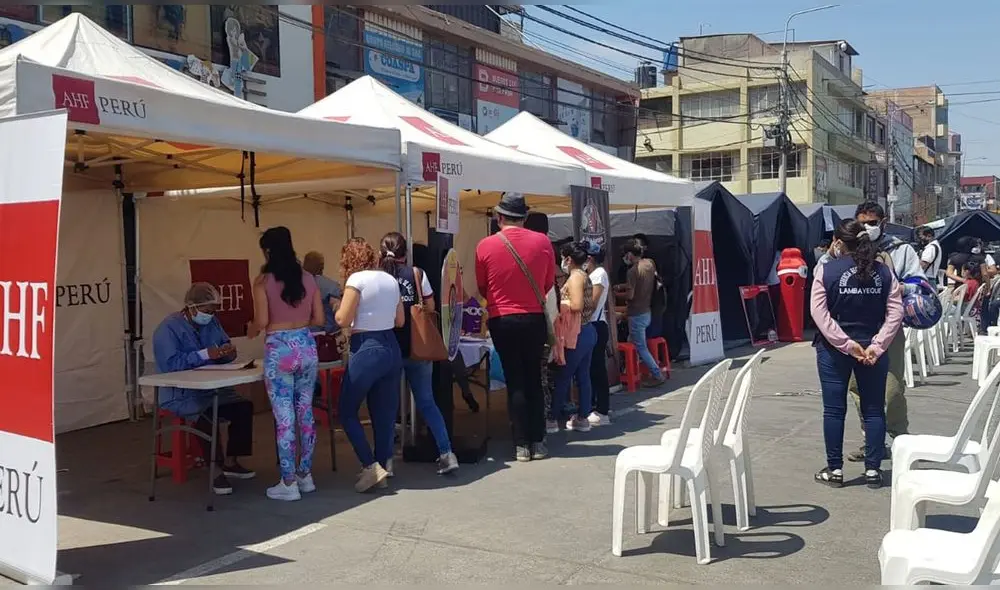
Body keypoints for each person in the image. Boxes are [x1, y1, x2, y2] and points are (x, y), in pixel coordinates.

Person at [817, 202, 921, 463]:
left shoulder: (899, 250)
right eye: (862, 222)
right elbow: (823, 284)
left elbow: (918, 283)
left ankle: (900, 440)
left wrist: (895, 288)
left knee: (893, 388)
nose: (868, 227)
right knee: (857, 390)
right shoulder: (837, 255)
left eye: (873, 222)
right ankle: (872, 444)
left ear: (883, 223)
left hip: (886, 331)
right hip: (850, 334)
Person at [811, 219, 902, 489]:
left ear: (838, 243)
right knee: (874, 409)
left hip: (833, 350)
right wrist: (876, 345)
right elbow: (895, 312)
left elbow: (819, 314)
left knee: (834, 410)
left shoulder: (826, 272)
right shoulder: (884, 273)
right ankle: (873, 470)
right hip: (873, 349)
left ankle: (835, 470)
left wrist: (846, 344)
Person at [152, 282, 256, 496]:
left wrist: (228, 352)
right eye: (207, 311)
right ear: (192, 308)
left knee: (243, 407)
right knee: (208, 414)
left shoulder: (213, 323)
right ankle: (215, 470)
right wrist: (205, 355)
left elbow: (224, 345)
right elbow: (170, 364)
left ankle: (230, 460)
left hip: (212, 388)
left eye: (214, 311)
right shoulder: (168, 328)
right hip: (181, 394)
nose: (210, 315)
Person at [475, 194, 556, 462]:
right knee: (534, 377)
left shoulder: (485, 246)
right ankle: (539, 441)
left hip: (502, 318)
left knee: (515, 379)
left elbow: (483, 286)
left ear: (499, 218)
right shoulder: (543, 242)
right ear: (525, 217)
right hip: (533, 317)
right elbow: (547, 283)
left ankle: (521, 444)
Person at [247, 226, 324, 501]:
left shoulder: (262, 281)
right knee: (305, 413)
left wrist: (251, 328)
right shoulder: (308, 279)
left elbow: (263, 321)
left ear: (267, 251)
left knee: (284, 418)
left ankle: (288, 480)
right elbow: (319, 319)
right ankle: (306, 475)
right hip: (305, 346)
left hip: (279, 350)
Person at [379, 231, 459, 475]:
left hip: (390, 345)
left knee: (387, 404)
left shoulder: (379, 278)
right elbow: (431, 306)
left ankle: (386, 462)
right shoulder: (417, 273)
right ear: (406, 252)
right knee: (427, 401)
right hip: (418, 345)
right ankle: (446, 453)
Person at [335, 237, 406, 492]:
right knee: (384, 414)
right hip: (391, 346)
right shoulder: (390, 280)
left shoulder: (356, 280)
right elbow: (400, 321)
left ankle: (370, 466)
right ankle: (383, 466)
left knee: (346, 410)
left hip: (365, 345)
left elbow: (343, 319)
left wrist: (337, 307)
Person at [549, 242, 598, 434]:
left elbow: (576, 305)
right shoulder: (584, 276)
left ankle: (552, 418)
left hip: (576, 333)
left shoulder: (576, 277)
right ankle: (582, 417)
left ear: (568, 259)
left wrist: (559, 305)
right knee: (583, 376)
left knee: (563, 376)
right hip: (586, 330)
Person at [615, 238, 665, 387]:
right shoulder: (649, 264)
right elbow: (640, 283)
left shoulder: (632, 272)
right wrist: (620, 287)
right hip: (647, 310)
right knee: (634, 342)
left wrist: (616, 294)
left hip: (636, 313)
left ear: (630, 254)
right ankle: (632, 371)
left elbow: (630, 295)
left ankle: (657, 374)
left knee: (640, 347)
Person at [584, 240, 612, 426]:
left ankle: (602, 409)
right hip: (592, 325)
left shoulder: (598, 275)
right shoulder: (591, 274)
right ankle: (594, 404)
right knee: (590, 368)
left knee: (597, 368)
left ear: (589, 258)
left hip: (596, 325)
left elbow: (592, 304)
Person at [302, 251, 342, 335]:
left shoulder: (294, 285)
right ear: (322, 266)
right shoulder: (331, 286)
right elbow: (338, 311)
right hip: (326, 336)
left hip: (302, 335)